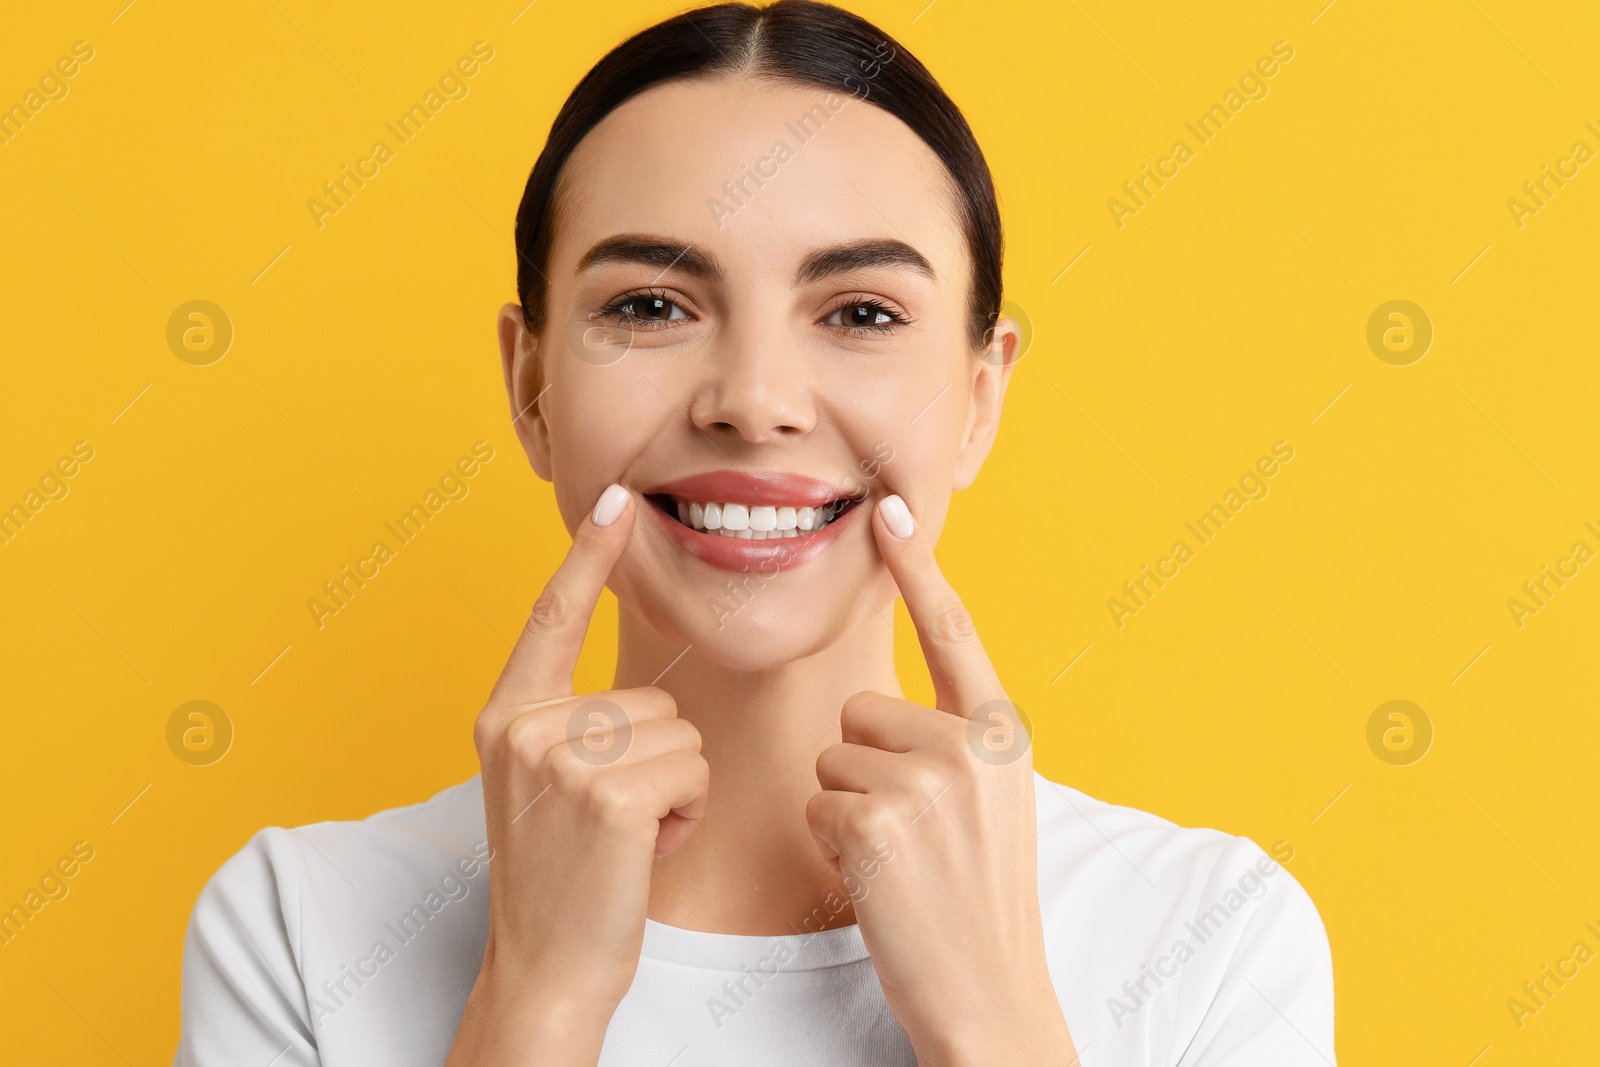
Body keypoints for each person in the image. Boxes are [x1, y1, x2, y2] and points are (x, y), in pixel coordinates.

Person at [175, 3, 1334, 1064]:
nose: (755, 396)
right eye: (650, 305)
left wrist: (994, 1021)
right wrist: (538, 996)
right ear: (530, 387)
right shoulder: (299, 922)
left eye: (862, 312)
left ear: (981, 399)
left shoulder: (1214, 930)